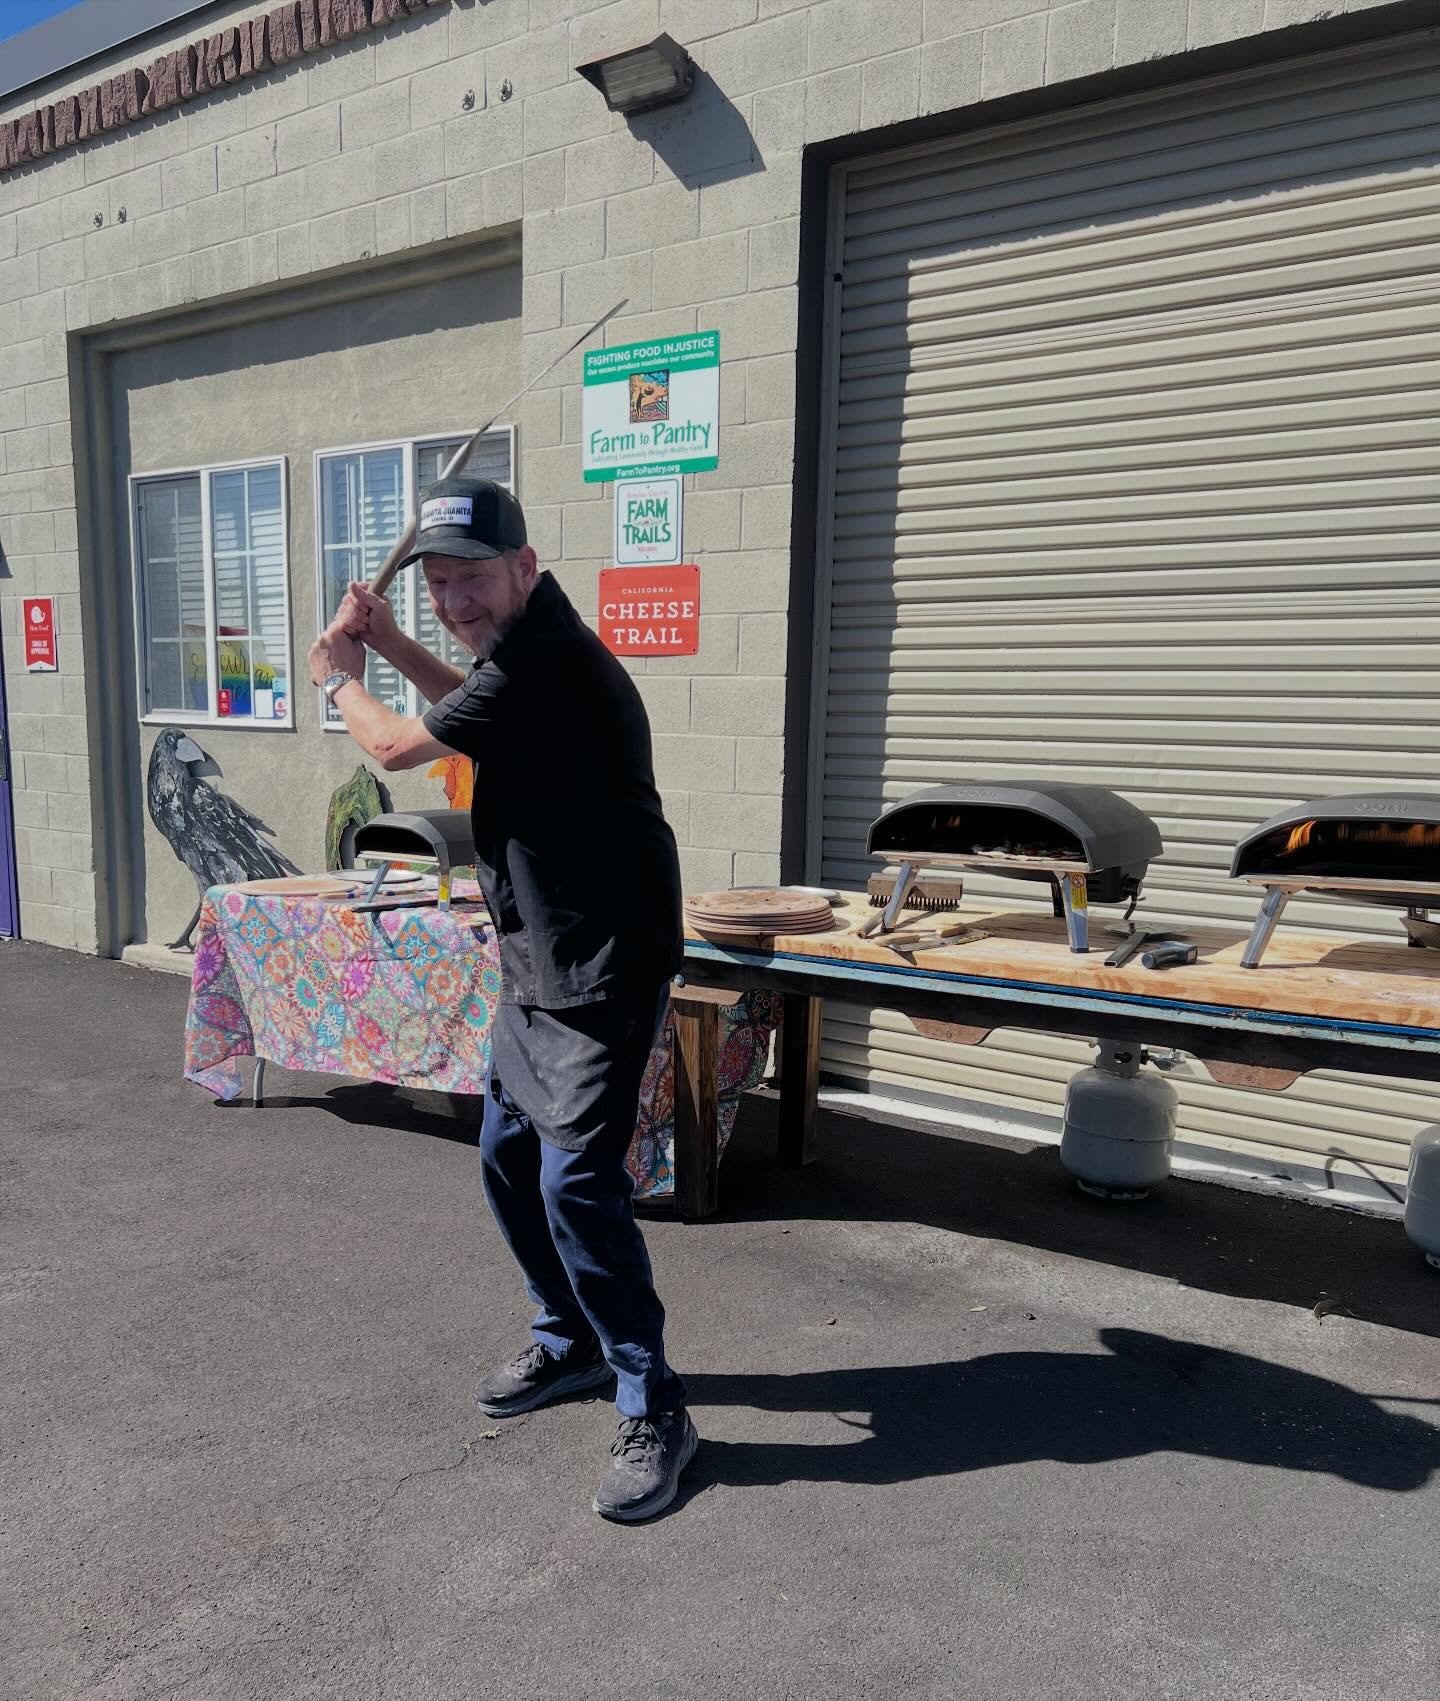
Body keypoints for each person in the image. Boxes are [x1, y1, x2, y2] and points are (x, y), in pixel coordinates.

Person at [306, 473, 695, 1523]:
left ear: (525, 567)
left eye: (471, 578)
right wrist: (392, 643)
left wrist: (337, 678)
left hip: (605, 956)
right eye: (436, 583)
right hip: (540, 952)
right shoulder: (517, 660)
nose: (454, 600)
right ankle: (570, 1339)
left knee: (576, 1181)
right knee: (507, 1155)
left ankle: (653, 1401)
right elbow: (467, 714)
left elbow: (398, 746)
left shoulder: (550, 661)